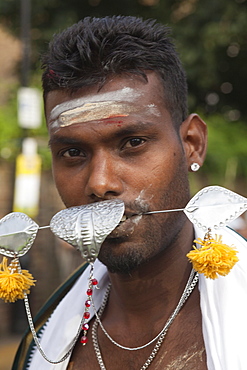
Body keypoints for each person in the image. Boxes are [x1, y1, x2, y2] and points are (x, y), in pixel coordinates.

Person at [12, 16, 247, 370]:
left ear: (192, 145)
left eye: (133, 143)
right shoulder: (43, 339)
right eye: (73, 153)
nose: (99, 183)